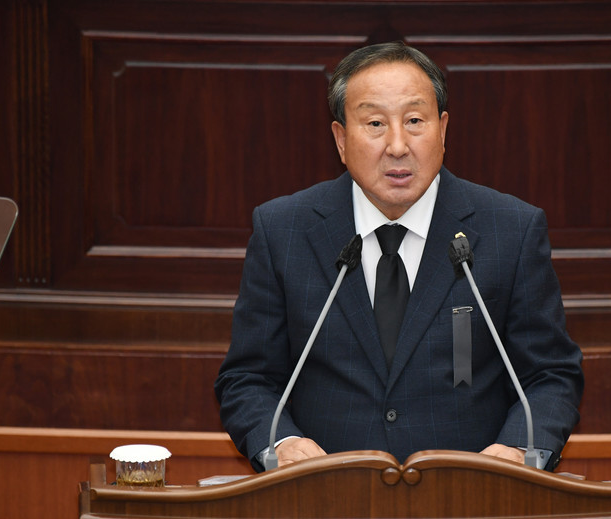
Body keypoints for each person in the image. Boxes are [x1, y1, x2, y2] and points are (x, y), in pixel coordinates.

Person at [215, 41, 583, 472]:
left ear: (442, 130)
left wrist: (519, 448)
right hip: (325, 491)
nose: (397, 145)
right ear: (340, 139)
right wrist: (282, 442)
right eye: (375, 123)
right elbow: (248, 379)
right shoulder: (283, 230)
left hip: (470, 492)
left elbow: (550, 376)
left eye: (414, 121)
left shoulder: (511, 230)